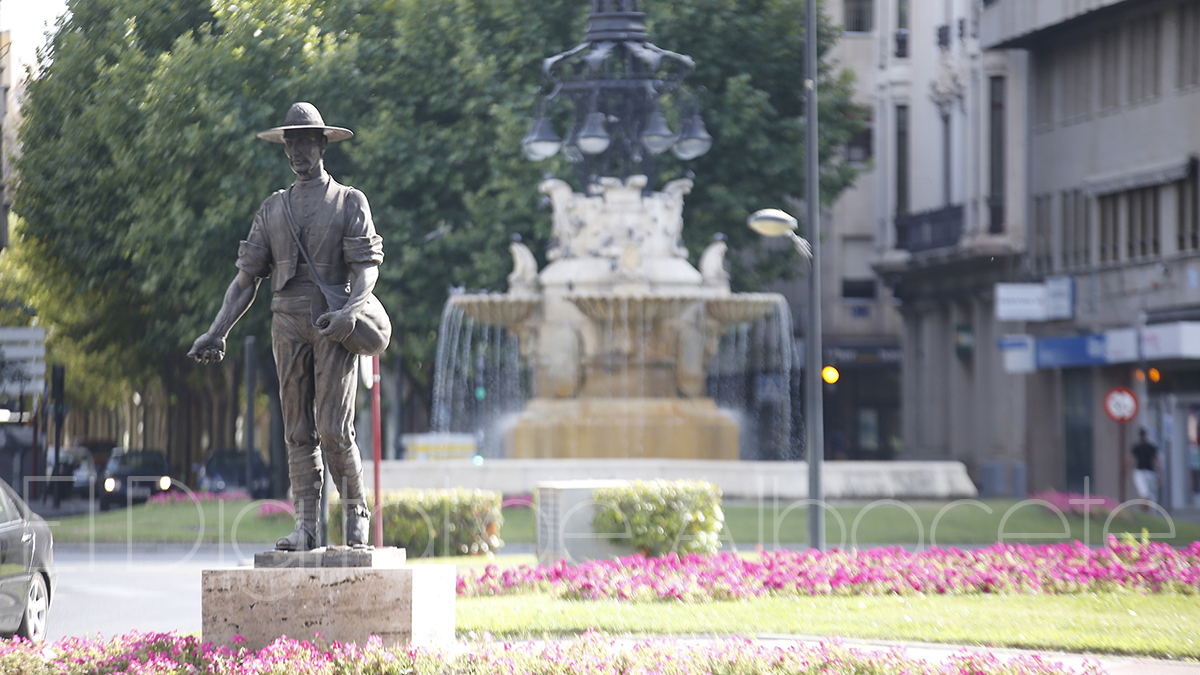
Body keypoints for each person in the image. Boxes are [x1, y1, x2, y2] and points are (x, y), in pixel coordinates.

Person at [188, 102, 383, 551]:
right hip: (287, 323)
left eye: (304, 141)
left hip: (332, 320)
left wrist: (351, 310)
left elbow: (367, 269)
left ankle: (356, 510)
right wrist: (217, 330)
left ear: (321, 144)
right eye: (289, 143)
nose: (296, 150)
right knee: (298, 429)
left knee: (334, 428)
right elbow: (245, 281)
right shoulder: (273, 209)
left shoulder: (350, 201)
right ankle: (306, 526)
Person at [1130, 427, 1160, 510]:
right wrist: (1159, 475)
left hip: (1141, 472)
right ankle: (1147, 511)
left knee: (1146, 494)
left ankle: (1144, 510)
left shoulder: (1137, 447)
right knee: (1149, 494)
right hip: (1150, 473)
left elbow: (1131, 460)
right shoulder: (1151, 447)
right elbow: (1157, 462)